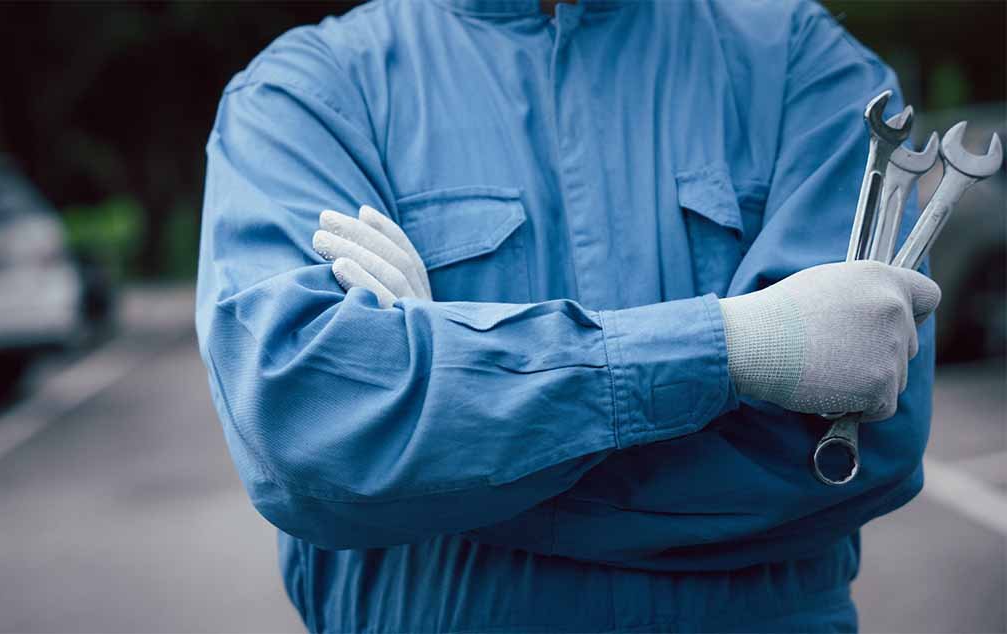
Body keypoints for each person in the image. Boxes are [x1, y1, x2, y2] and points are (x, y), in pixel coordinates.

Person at [196, 0, 941, 631]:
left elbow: (858, 448)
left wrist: (445, 413)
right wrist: (736, 351)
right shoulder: (305, 96)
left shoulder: (803, 64)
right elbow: (306, 424)